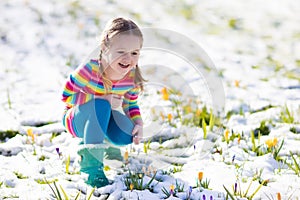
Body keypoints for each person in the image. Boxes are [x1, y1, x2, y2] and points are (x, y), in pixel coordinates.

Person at [61, 17, 145, 188]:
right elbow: (66, 96)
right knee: (101, 105)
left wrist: (138, 122)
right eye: (121, 52)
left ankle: (102, 143)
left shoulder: (131, 76)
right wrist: (97, 99)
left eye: (134, 53)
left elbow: (130, 104)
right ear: (105, 48)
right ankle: (91, 168)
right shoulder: (89, 70)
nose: (128, 59)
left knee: (127, 132)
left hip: (104, 117)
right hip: (76, 119)